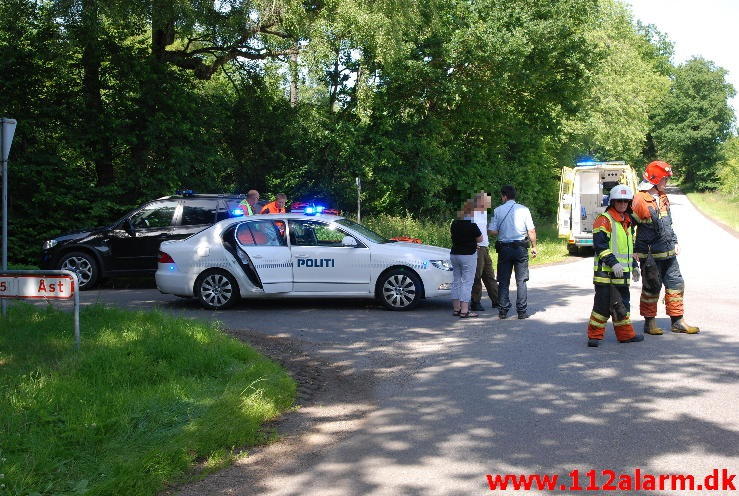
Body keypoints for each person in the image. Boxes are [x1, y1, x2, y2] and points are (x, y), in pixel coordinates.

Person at [632, 160, 700, 335]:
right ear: (654, 179)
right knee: (652, 288)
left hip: (669, 252)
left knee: (676, 284)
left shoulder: (662, 197)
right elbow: (630, 226)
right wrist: (635, 251)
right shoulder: (640, 199)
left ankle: (677, 321)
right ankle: (650, 323)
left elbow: (668, 223)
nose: (667, 183)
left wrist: (675, 241)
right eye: (665, 179)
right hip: (650, 254)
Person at [586, 185, 644, 347]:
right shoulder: (604, 219)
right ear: (612, 202)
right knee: (602, 305)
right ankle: (594, 336)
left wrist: (633, 266)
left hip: (622, 273)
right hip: (605, 273)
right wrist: (614, 263)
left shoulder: (626, 221)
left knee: (622, 305)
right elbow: (600, 245)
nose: (623, 204)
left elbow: (628, 248)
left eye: (626, 201)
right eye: (619, 201)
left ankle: (626, 335)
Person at [488, 185, 536, 320]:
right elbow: (531, 230)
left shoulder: (498, 211)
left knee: (503, 280)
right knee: (521, 280)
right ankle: (521, 311)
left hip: (504, 249)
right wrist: (534, 246)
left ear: (504, 196)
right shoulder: (524, 210)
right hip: (521, 248)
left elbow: (492, 231)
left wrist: (498, 231)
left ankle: (503, 310)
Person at [450, 200, 483, 318]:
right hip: (468, 255)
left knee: (456, 281)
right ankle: (465, 310)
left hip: (454, 254)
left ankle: (456, 308)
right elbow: (480, 239)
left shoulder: (454, 223)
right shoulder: (472, 225)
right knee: (467, 282)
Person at [469, 192, 499, 311]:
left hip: (485, 247)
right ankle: (475, 302)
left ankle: (496, 300)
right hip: (477, 248)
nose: (488, 203)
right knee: (477, 275)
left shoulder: (483, 213)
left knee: (490, 275)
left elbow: (485, 230)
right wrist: (472, 244)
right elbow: (469, 230)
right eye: (486, 200)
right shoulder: (471, 214)